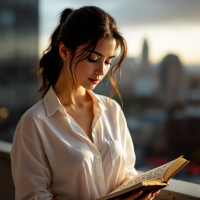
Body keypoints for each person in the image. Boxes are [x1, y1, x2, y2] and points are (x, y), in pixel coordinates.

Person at [10, 6, 160, 200]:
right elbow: (32, 196)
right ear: (64, 50)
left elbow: (126, 173)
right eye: (93, 59)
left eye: (107, 61)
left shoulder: (112, 110)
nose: (101, 71)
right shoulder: (34, 123)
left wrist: (136, 191)